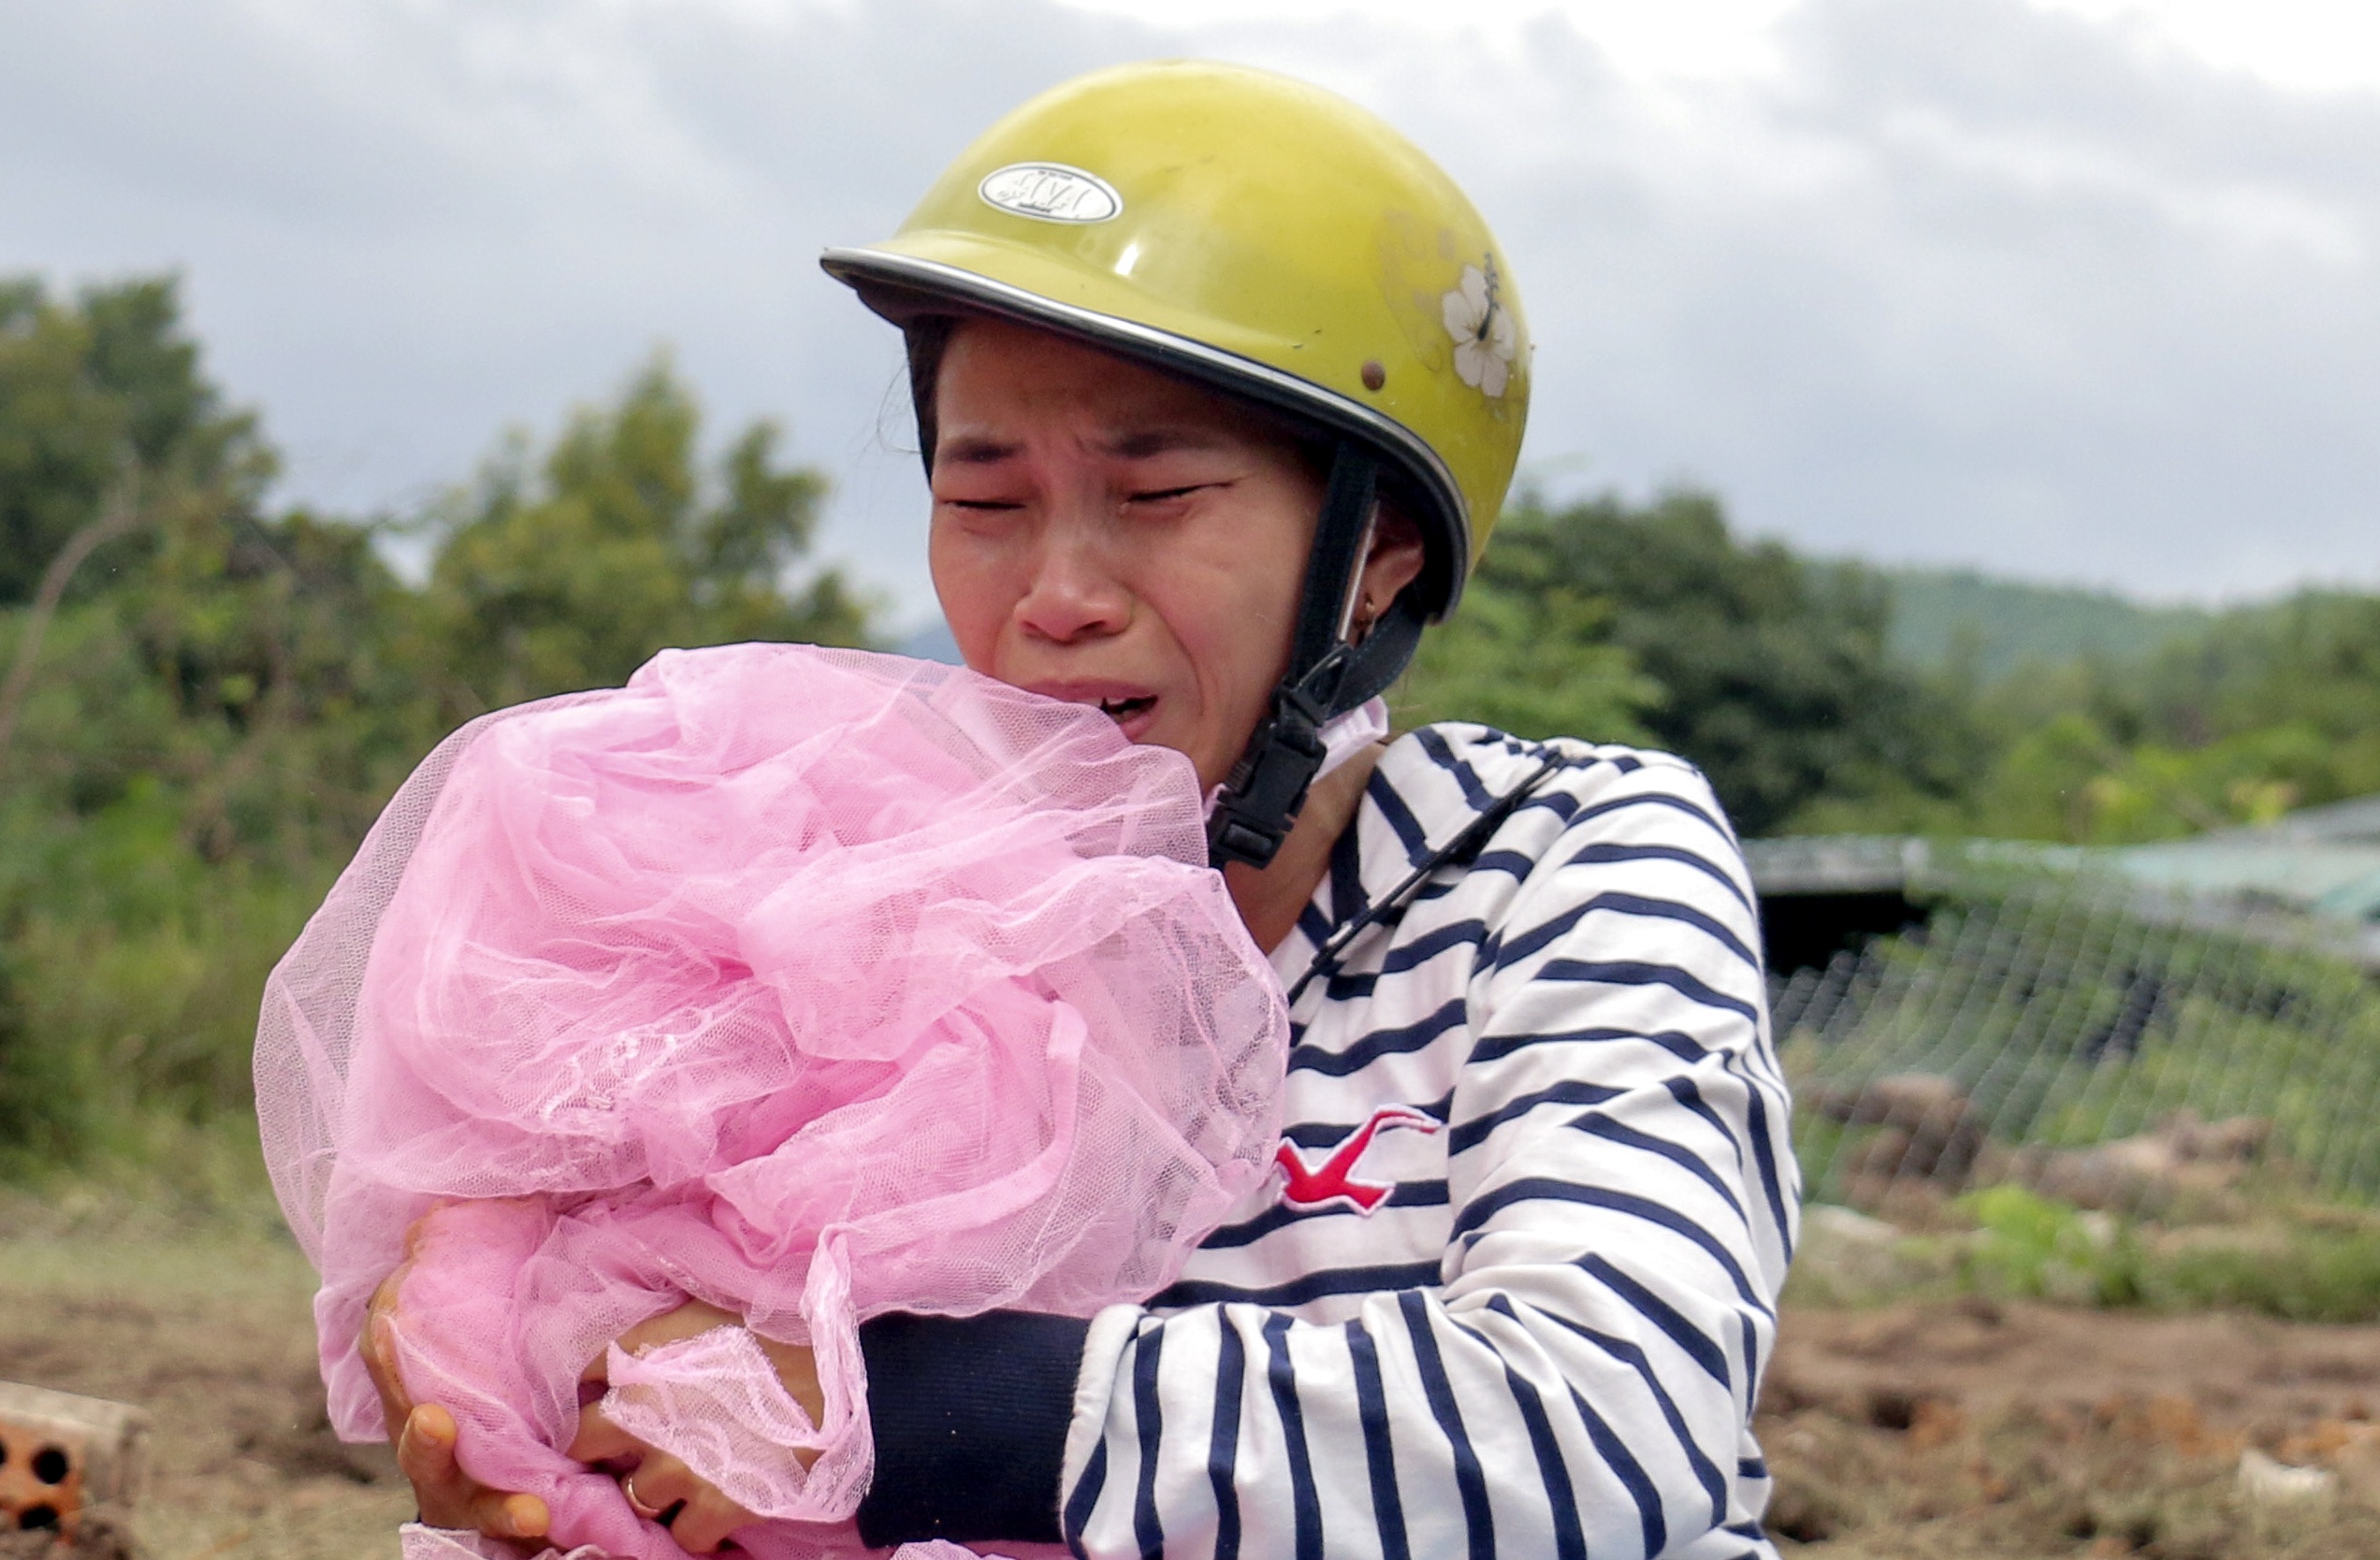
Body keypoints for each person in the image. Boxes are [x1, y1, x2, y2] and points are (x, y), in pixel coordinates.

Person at [370, 59, 1797, 1559]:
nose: (1053, 600)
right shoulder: (862, 912)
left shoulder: (1559, 865)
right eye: (986, 505)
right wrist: (519, 1373)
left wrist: (891, 1414)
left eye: (1158, 495)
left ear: (1375, 555)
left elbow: (1608, 1429)